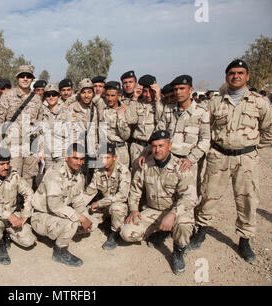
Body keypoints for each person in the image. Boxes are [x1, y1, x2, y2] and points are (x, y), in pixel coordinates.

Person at [190, 59, 272, 263]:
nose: (236, 76)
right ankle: (201, 230)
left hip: (246, 159)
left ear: (247, 76)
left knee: (247, 199)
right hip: (219, 156)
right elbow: (205, 126)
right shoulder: (215, 102)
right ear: (226, 77)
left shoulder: (259, 102)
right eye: (232, 73)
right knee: (208, 195)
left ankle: (245, 239)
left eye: (240, 73)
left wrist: (252, 146)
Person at [120, 130, 198, 275]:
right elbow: (135, 190)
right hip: (154, 210)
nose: (157, 150)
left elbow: (190, 198)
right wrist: (133, 209)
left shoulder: (181, 167)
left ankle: (178, 252)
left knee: (183, 224)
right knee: (126, 233)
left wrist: (173, 214)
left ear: (170, 146)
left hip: (176, 211)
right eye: (154, 146)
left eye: (161, 146)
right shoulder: (146, 165)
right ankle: (163, 232)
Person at [31, 143, 97, 267]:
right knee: (72, 222)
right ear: (66, 157)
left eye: (82, 159)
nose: (79, 162)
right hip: (42, 215)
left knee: (93, 222)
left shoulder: (78, 175)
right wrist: (80, 218)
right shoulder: (55, 173)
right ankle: (60, 251)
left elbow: (78, 202)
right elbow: (55, 205)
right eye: (75, 158)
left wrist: (84, 216)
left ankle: (58, 233)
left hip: (57, 215)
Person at [151, 75, 210, 197]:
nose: (178, 92)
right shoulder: (169, 109)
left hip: (189, 162)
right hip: (168, 160)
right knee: (167, 195)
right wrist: (147, 151)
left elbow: (205, 139)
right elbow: (159, 130)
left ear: (191, 90)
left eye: (182, 88)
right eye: (176, 89)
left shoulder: (201, 111)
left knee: (188, 197)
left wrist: (191, 159)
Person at [0, 147, 36, 265]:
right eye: (2, 164)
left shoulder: (14, 176)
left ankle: (7, 234)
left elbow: (29, 192)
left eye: (8, 163)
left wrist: (26, 214)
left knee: (29, 241)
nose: (6, 167)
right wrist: (8, 215)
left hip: (13, 217)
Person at [0, 65, 43, 188]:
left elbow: (39, 127)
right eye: (22, 76)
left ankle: (27, 207)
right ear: (17, 78)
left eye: (28, 76)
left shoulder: (37, 99)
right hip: (12, 147)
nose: (25, 78)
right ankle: (12, 207)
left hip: (30, 148)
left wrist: (39, 150)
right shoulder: (7, 96)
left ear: (32, 79)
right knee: (12, 180)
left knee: (28, 181)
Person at [84, 143, 130, 250]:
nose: (104, 160)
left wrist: (100, 203)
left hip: (118, 207)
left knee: (116, 208)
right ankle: (105, 223)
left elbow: (122, 196)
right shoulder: (98, 170)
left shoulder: (123, 171)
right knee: (85, 217)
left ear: (114, 157)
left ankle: (115, 234)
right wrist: (78, 207)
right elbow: (90, 191)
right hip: (104, 207)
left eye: (107, 158)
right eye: (101, 157)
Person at [118, 74, 163, 172]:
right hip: (137, 147)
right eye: (145, 91)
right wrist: (134, 98)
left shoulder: (160, 104)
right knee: (136, 175)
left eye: (151, 91)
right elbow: (130, 119)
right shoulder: (137, 103)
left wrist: (158, 98)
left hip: (153, 147)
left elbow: (161, 120)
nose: (147, 95)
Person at [64, 78, 100, 185]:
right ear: (79, 93)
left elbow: (96, 131)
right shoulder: (71, 108)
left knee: (89, 179)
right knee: (75, 180)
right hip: (75, 151)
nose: (87, 95)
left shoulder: (95, 109)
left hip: (91, 150)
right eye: (83, 92)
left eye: (89, 92)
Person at [95, 81, 131, 165]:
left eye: (113, 95)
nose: (110, 99)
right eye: (107, 95)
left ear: (119, 96)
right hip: (104, 150)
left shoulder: (125, 110)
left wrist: (120, 116)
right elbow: (82, 96)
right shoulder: (101, 105)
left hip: (120, 150)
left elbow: (125, 136)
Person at [40, 83, 68, 170]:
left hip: (62, 155)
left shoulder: (67, 111)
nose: (51, 97)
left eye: (54, 94)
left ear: (59, 96)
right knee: (49, 181)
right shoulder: (42, 112)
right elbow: (40, 134)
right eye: (48, 95)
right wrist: (41, 152)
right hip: (48, 156)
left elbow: (73, 134)